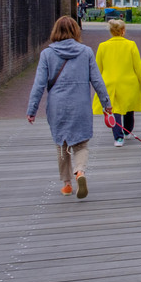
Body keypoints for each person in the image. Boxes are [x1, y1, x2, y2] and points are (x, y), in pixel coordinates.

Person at [26, 16, 113, 199]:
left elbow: (39, 84)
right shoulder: (86, 52)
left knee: (62, 144)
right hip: (80, 105)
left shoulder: (47, 54)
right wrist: (107, 104)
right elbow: (97, 80)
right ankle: (80, 171)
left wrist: (32, 110)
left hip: (57, 106)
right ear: (76, 31)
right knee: (81, 144)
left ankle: (67, 185)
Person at [92, 18, 141, 146]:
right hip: (129, 83)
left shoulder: (103, 46)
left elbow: (98, 68)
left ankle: (118, 138)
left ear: (111, 31)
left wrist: (97, 85)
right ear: (123, 31)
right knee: (129, 108)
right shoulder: (131, 45)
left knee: (115, 110)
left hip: (110, 83)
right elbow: (138, 67)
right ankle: (127, 131)